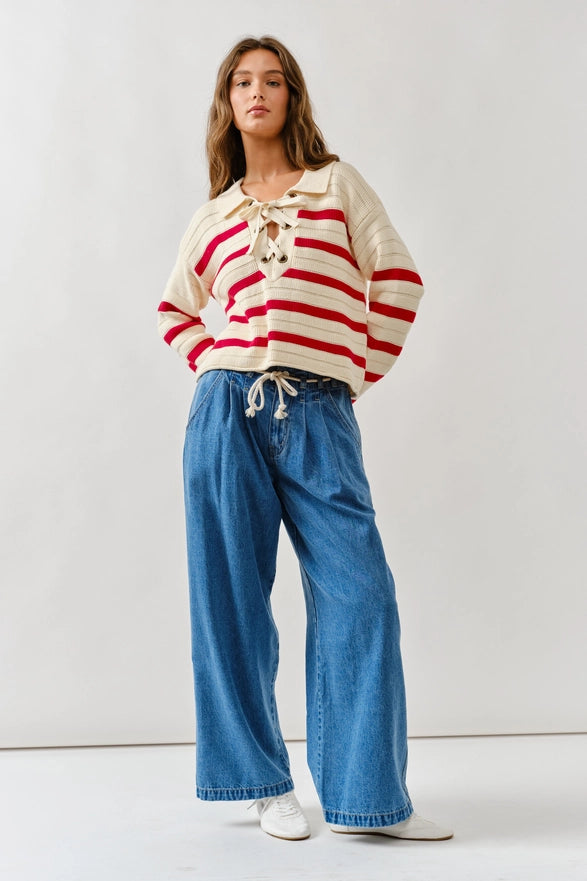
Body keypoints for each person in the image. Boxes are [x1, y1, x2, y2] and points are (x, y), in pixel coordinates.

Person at [158, 35, 453, 843]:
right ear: (227, 101)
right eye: (242, 82)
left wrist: (355, 369)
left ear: (293, 97)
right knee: (230, 599)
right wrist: (211, 361)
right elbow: (174, 309)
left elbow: (396, 275)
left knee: (360, 593)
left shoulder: (335, 183)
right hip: (226, 411)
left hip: (319, 409)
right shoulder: (212, 213)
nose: (257, 92)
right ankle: (261, 782)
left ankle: (367, 797)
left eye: (273, 80)